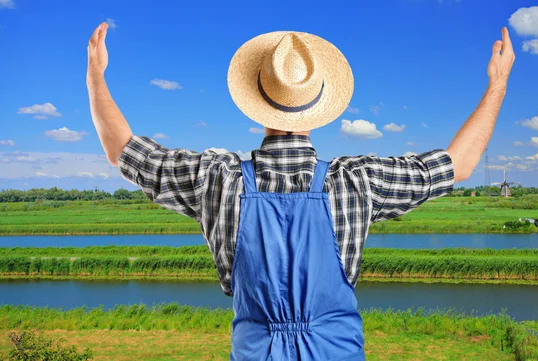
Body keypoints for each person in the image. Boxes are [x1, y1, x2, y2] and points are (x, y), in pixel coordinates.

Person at [87, 22, 515, 361]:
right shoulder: (355, 180)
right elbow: (458, 165)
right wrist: (497, 84)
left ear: (256, 99)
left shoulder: (217, 177)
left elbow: (122, 151)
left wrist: (96, 76)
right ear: (319, 104)